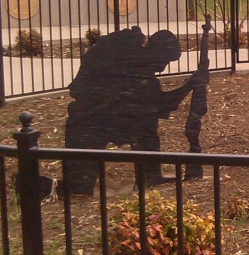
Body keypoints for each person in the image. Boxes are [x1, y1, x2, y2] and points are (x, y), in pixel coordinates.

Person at [61, 27, 208, 195]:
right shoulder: (133, 69)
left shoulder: (137, 67)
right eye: (165, 61)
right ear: (158, 53)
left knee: (146, 127)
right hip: (89, 123)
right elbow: (163, 104)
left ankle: (150, 175)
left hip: (110, 118)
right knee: (77, 188)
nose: (163, 68)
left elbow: (154, 105)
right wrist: (191, 84)